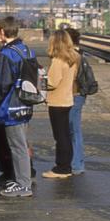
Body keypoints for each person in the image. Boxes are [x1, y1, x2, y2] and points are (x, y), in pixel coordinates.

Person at [0, 16, 35, 198]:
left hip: (11, 107)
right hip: (25, 103)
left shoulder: (7, 53)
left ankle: (24, 185)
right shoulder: (26, 50)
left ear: (3, 31)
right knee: (21, 145)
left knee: (17, 147)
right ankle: (22, 180)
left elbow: (3, 83)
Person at [43, 30, 79, 178]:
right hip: (67, 100)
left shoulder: (58, 61)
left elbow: (52, 83)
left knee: (60, 136)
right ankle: (66, 166)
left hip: (57, 102)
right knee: (65, 135)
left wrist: (42, 79)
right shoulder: (72, 59)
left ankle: (61, 168)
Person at [66, 28, 88, 175]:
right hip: (79, 94)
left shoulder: (73, 56)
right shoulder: (80, 54)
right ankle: (76, 162)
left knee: (73, 130)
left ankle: (77, 164)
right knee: (74, 130)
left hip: (74, 94)